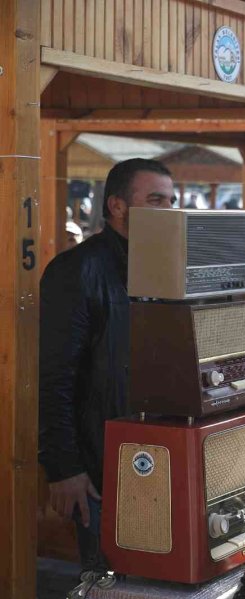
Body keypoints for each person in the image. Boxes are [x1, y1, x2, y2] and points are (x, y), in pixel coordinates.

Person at [39, 159, 176, 572]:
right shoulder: (76, 270)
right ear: (117, 206)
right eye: (156, 200)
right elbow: (53, 377)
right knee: (107, 578)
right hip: (96, 462)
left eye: (171, 201)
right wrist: (64, 468)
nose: (168, 210)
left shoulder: (165, 267)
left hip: (154, 453)